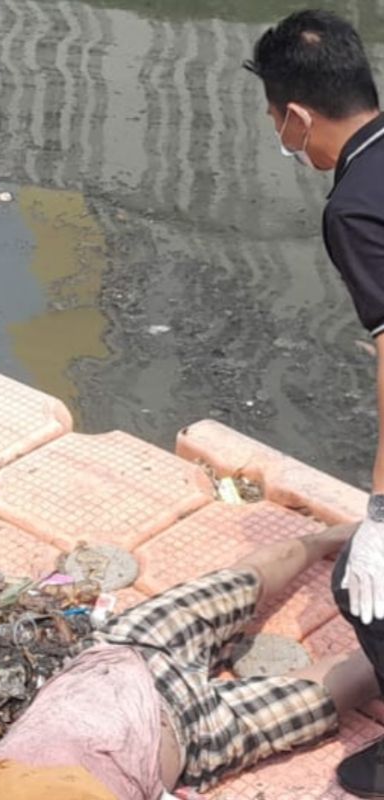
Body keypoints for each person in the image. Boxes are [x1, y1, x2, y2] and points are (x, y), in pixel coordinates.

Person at [0, 524, 376, 800]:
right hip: (184, 722)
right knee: (353, 674)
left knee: (243, 585)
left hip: (125, 660)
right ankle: (346, 540)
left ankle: (344, 536)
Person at [245, 11, 384, 795]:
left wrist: (382, 514)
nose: (284, 138)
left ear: (296, 116)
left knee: (365, 592)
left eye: (276, 121)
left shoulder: (356, 206)